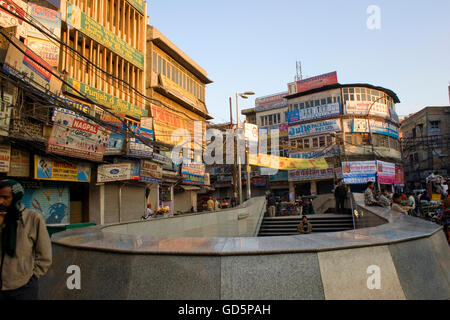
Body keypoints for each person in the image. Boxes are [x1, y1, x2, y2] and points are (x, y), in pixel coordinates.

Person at [0, 180, 52, 300]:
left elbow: (45, 255)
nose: (0, 201)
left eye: (5, 197)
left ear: (16, 197)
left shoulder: (32, 219)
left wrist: (32, 277)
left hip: (23, 288)